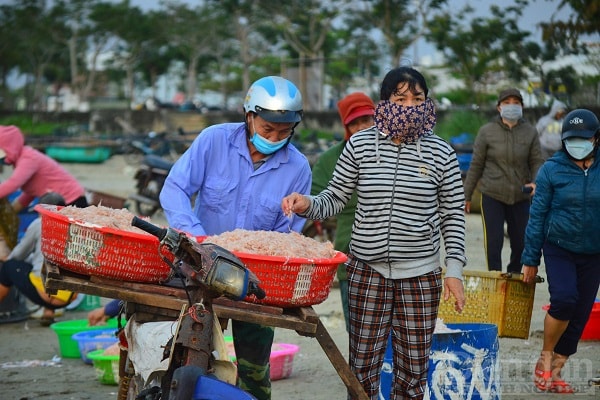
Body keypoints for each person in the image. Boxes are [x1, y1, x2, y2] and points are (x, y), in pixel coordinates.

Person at [281, 66, 466, 400]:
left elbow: (453, 216)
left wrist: (454, 271)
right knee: (361, 368)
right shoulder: (362, 146)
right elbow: (334, 197)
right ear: (385, 101)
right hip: (367, 272)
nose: (410, 105)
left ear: (427, 102)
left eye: (417, 98)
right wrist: (305, 203)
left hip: (421, 276)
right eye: (401, 97)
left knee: (412, 373)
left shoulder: (441, 152)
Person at [159, 76, 311, 400]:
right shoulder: (213, 141)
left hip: (255, 280)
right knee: (185, 355)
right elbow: (175, 189)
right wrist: (195, 236)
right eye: (268, 129)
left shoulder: (298, 168)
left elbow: (289, 235)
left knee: (254, 372)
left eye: (284, 133)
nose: (274, 138)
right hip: (199, 266)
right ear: (249, 115)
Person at [522, 109, 600, 394]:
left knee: (580, 313)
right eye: (571, 139)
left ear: (596, 138)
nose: (577, 143)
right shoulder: (552, 169)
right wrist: (530, 259)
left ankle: (556, 371)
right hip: (559, 247)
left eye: (584, 138)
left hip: (594, 251)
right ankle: (545, 354)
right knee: (565, 299)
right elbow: (537, 216)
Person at [310, 92, 375, 333]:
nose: (362, 128)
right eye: (355, 123)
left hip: (398, 259)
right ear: (346, 127)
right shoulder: (330, 160)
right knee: (359, 332)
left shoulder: (396, 152)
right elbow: (315, 200)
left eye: (367, 120)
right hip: (352, 256)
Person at [463, 88, 544, 273]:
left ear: (522, 107)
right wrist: (466, 195)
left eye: (516, 103)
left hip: (520, 196)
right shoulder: (486, 132)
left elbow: (537, 161)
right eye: (507, 103)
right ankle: (495, 277)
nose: (511, 107)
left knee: (521, 243)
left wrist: (536, 182)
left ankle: (513, 275)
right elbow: (476, 164)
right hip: (492, 194)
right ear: (499, 108)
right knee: (494, 242)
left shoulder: (530, 132)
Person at [0, 192, 76, 325]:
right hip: (70, 296)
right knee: (51, 264)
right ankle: (48, 314)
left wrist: (6, 258)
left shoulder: (39, 223)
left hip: (44, 294)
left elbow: (19, 255)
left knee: (9, 267)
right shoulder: (74, 225)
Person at [0, 125, 88, 213]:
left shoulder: (28, 158)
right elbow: (31, 192)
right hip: (58, 200)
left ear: (8, 147)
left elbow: (13, 184)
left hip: (71, 201)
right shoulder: (21, 159)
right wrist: (13, 211)